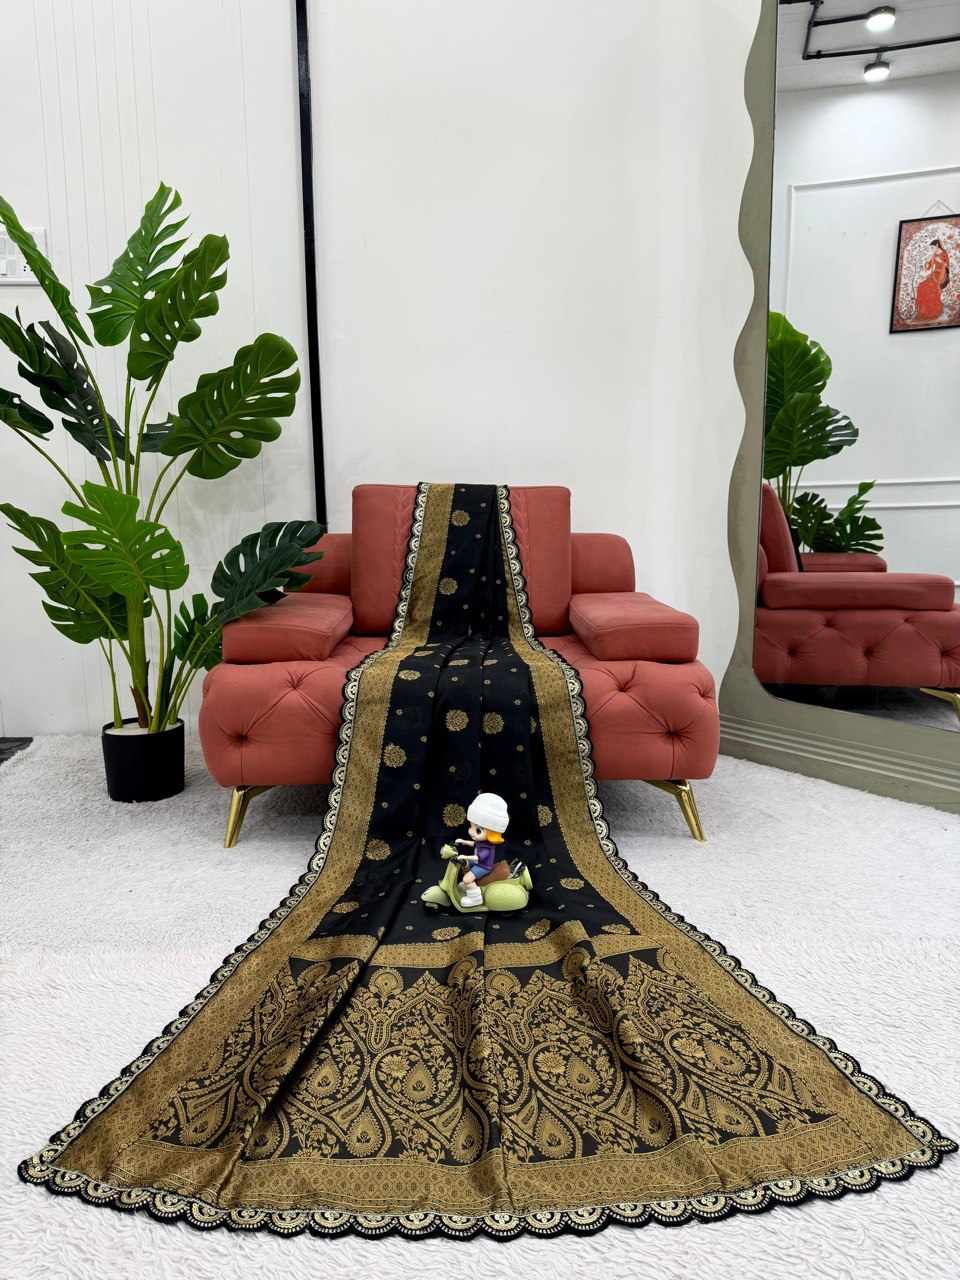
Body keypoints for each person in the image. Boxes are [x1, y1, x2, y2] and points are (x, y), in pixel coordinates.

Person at [454, 792, 509, 907]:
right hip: (478, 864)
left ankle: (475, 898)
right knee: (465, 866)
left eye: (478, 830)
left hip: (483, 866)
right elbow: (474, 844)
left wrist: (464, 856)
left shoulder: (487, 848)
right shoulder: (482, 842)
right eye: (471, 826)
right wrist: (463, 841)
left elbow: (477, 858)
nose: (471, 832)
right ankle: (470, 886)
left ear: (492, 833)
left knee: (467, 879)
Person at [915, 237, 950, 322]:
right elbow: (930, 265)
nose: (932, 249)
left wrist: (940, 261)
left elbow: (947, 266)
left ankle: (934, 311)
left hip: (942, 275)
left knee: (931, 288)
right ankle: (924, 310)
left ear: (937, 245)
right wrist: (926, 264)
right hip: (933, 274)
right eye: (932, 247)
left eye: (933, 247)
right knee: (921, 286)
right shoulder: (934, 254)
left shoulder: (944, 253)